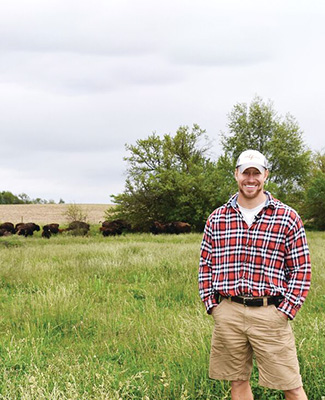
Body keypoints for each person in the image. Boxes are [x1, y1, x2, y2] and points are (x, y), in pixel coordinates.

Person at [198, 149, 311, 400]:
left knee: (291, 384)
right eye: (245, 173)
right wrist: (213, 306)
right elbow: (206, 264)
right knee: (237, 382)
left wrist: (285, 311)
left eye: (256, 173)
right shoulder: (218, 218)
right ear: (236, 174)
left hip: (270, 313)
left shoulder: (287, 217)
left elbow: (301, 269)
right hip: (229, 312)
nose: (251, 179)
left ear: (266, 175)